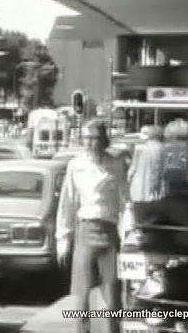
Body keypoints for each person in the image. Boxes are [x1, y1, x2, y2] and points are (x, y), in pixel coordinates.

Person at [56, 121, 129, 333]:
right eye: (87, 138)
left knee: (112, 295)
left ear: (104, 140)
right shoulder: (76, 166)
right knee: (81, 295)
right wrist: (63, 239)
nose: (91, 143)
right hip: (85, 231)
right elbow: (67, 204)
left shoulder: (116, 165)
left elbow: (126, 201)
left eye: (95, 137)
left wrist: (127, 231)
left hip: (110, 232)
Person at [127, 125, 165, 202]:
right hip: (154, 187)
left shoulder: (140, 148)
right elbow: (161, 168)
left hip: (139, 187)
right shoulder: (162, 148)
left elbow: (133, 167)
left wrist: (129, 177)